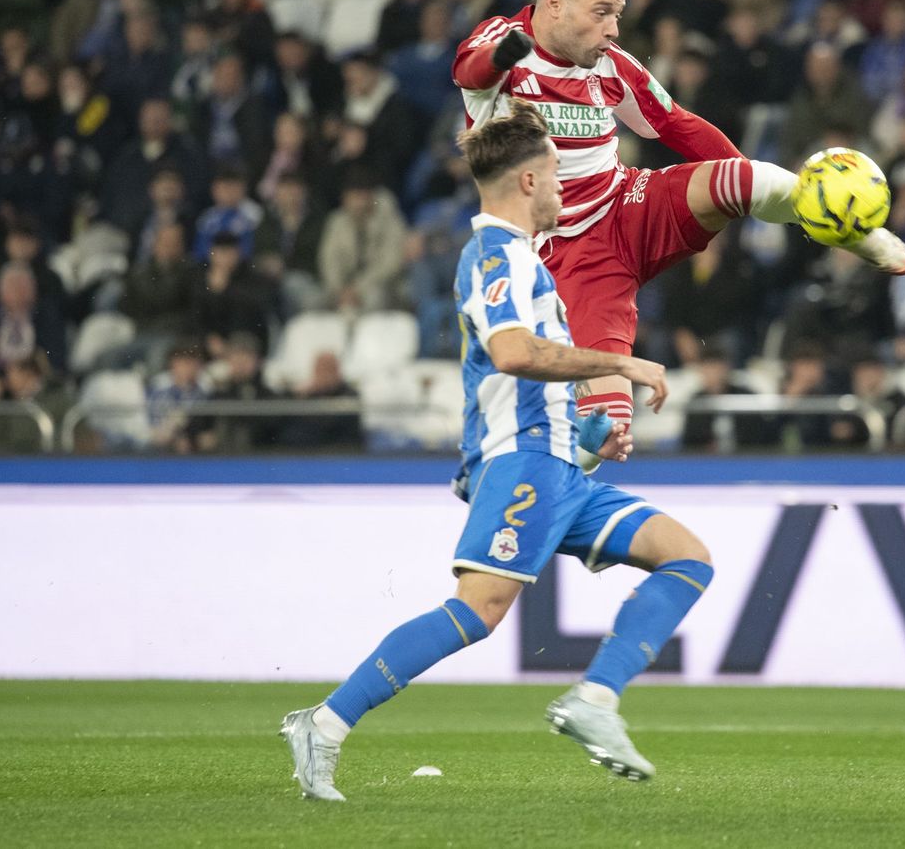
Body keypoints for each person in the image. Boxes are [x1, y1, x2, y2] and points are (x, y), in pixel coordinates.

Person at [282, 104, 707, 802]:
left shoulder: (526, 259)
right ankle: (323, 726)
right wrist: (621, 365)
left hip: (560, 462)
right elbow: (513, 353)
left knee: (687, 556)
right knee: (477, 612)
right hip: (524, 462)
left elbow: (528, 375)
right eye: (561, 179)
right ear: (532, 181)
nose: (569, 191)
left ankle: (596, 700)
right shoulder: (495, 255)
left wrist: (591, 435)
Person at [452, 0, 905, 434]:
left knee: (744, 176)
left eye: (618, 15)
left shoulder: (611, 65)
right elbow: (470, 71)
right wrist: (502, 58)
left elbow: (676, 123)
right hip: (567, 258)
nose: (613, 29)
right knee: (608, 433)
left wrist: (745, 194)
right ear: (554, 5)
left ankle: (848, 230)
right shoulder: (504, 40)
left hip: (626, 206)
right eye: (602, 13)